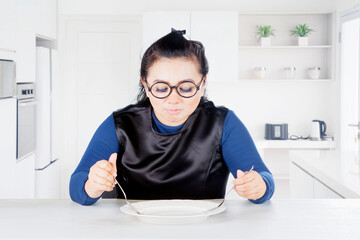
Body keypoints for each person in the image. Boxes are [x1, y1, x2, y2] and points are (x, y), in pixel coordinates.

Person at [70, 29, 275, 206]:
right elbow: (76, 185)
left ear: (202, 84)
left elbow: (265, 179)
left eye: (186, 87)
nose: (173, 99)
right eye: (161, 88)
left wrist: (258, 187)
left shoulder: (224, 123)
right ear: (145, 85)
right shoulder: (119, 124)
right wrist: (92, 185)